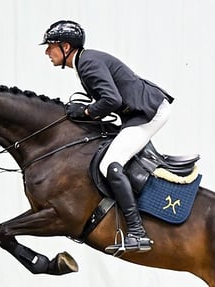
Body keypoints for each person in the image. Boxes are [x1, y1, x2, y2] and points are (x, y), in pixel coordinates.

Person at [41, 20, 174, 256]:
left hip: (147, 113)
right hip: (137, 112)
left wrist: (85, 111)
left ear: (65, 46)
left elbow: (113, 101)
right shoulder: (84, 61)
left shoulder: (88, 63)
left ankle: (137, 232)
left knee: (110, 165)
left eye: (50, 46)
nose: (46, 52)